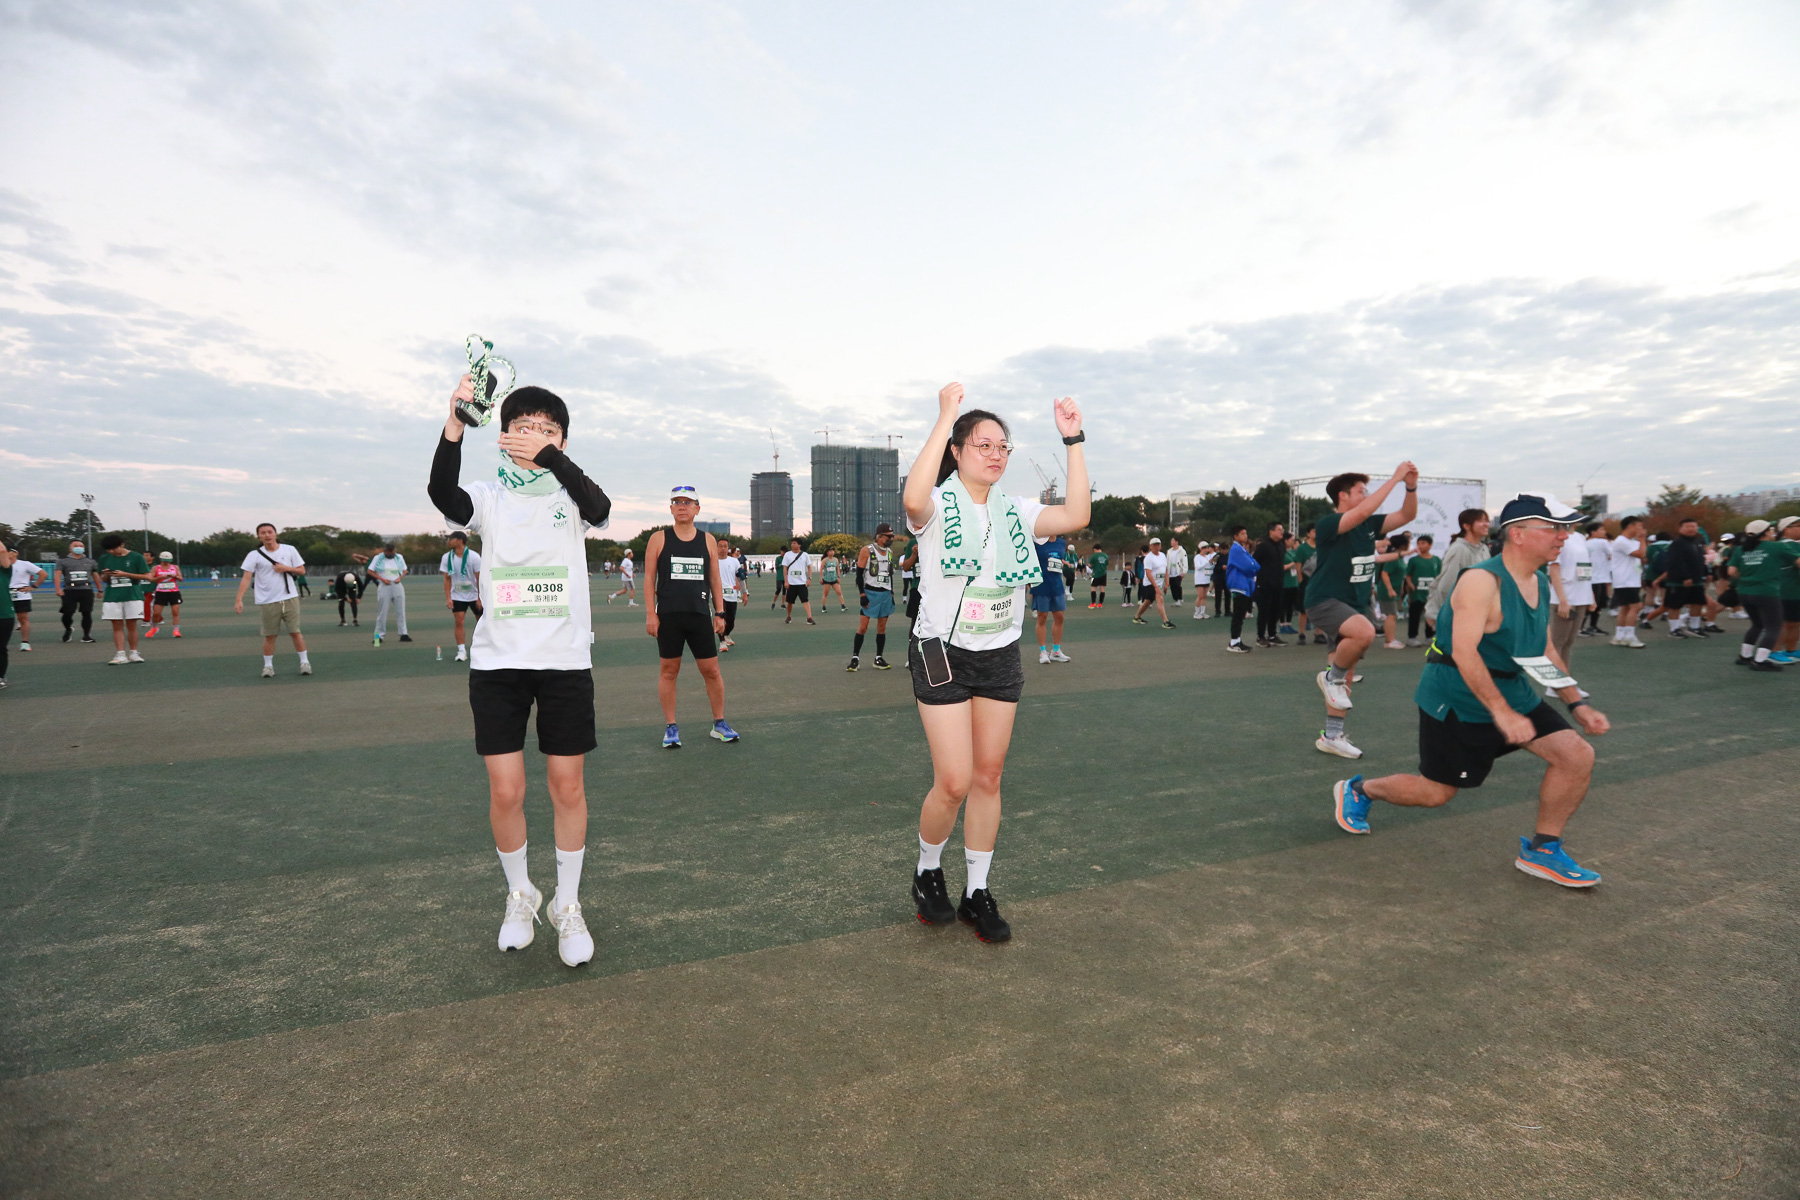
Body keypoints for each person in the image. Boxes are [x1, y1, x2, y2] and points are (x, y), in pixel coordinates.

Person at [1331, 493, 1609, 888]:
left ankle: (1543, 849)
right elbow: (1464, 652)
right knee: (1436, 793)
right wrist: (1501, 712)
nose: (1564, 536)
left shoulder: (1539, 579)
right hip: (1458, 698)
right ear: (1518, 534)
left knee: (1576, 755)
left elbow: (1544, 649)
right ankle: (1360, 790)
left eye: (1565, 529)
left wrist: (1576, 702)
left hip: (1512, 691)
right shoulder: (1481, 581)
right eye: (1554, 528)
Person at [430, 373, 612, 968]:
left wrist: (552, 457)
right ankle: (520, 894)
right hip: (499, 663)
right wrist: (454, 424)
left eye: (547, 429)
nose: (534, 435)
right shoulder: (489, 496)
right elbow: (443, 494)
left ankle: (568, 903)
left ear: (562, 440)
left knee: (568, 786)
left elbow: (600, 509)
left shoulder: (571, 496)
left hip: (563, 662)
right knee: (506, 789)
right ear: (503, 434)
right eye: (523, 427)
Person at [902, 382, 1088, 943]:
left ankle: (977, 890)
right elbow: (913, 497)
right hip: (941, 651)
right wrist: (946, 416)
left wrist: (1073, 440)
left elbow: (1076, 514)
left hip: (999, 652)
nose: (996, 454)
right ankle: (927, 870)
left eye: (1002, 446)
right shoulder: (936, 508)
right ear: (957, 452)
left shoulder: (1018, 511)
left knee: (988, 776)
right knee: (954, 781)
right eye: (982, 445)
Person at [1306, 463, 1420, 759]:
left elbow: (1407, 515)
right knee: (1365, 634)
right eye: (1361, 491)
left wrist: (1410, 486)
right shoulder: (1329, 523)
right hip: (1324, 601)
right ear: (1343, 496)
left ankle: (1332, 736)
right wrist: (1395, 478)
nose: (1367, 496)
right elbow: (1362, 512)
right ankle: (1330, 677)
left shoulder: (1369, 525)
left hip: (1353, 605)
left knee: (1345, 680)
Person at [644, 486, 738, 747]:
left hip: (699, 615)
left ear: (697, 508)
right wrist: (651, 613)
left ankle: (719, 723)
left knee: (712, 670)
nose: (682, 506)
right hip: (668, 617)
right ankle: (671, 727)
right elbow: (649, 578)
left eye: (687, 502)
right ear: (670, 508)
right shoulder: (658, 538)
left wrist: (720, 612)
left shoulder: (708, 540)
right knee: (669, 671)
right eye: (677, 502)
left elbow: (715, 579)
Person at [234, 523, 311, 677]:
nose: (267, 535)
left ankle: (304, 663)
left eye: (270, 532)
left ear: (276, 534)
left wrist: (286, 568)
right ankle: (268, 666)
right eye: (263, 533)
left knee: (295, 632)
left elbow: (301, 570)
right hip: (267, 600)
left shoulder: (289, 550)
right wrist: (239, 599)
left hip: (289, 598)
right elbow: (246, 578)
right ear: (258, 536)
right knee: (270, 635)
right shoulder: (254, 555)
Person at [1727, 520, 1800, 672]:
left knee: (1757, 624)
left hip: (1744, 591)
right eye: (1771, 529)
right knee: (1774, 627)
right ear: (1765, 532)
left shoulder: (1740, 549)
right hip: (1767, 591)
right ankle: (1760, 660)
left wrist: (1748, 578)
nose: (1773, 532)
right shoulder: (1776, 546)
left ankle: (1745, 656)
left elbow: (1731, 572)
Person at [1426, 508, 1490, 629]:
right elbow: (1446, 585)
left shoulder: (1484, 549)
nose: (1486, 524)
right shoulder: (1459, 549)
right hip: (1458, 615)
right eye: (1481, 521)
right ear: (1466, 526)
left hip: (1477, 612)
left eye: (1487, 521)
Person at [848, 523, 898, 671]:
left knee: (882, 627)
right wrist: (862, 594)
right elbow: (859, 574)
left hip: (885, 593)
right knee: (863, 627)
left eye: (892, 536)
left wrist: (891, 592)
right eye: (889, 536)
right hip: (870, 592)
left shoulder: (889, 552)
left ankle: (878, 657)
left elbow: (889, 574)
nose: (891, 539)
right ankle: (855, 658)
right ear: (879, 536)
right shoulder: (867, 550)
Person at [96, 533, 151, 665]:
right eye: (108, 550)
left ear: (122, 545)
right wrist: (106, 575)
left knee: (132, 625)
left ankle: (134, 653)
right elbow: (103, 578)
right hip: (112, 595)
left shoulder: (136, 557)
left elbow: (147, 576)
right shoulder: (104, 558)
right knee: (116, 625)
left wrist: (125, 574)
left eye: (114, 548)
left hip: (132, 595)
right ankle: (120, 654)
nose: (111, 552)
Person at [1657, 519, 1710, 639]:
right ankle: (1674, 629)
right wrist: (1685, 577)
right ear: (1680, 529)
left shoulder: (1697, 542)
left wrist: (1706, 573)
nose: (1691, 529)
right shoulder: (1677, 544)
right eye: (1688, 526)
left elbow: (1701, 560)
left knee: (1698, 603)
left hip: (1697, 580)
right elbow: (1676, 562)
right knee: (1675, 605)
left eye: (1694, 526)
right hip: (1678, 581)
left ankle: (1694, 627)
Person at [441, 531, 483, 662]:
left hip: (474, 595)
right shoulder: (447, 557)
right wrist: (448, 598)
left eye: (451, 539)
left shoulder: (473, 557)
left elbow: (479, 578)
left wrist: (480, 597)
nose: (449, 542)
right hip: (457, 595)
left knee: (481, 623)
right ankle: (461, 651)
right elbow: (447, 579)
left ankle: (482, 649)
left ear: (460, 541)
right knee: (459, 621)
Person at [1607, 516, 1647, 648]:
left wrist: (1641, 542)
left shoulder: (1631, 541)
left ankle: (1619, 636)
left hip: (1631, 579)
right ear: (1630, 526)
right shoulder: (1621, 541)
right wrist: (1642, 539)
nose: (1641, 529)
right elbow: (1640, 554)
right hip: (1625, 580)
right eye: (1639, 526)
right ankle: (1630, 636)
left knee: (1625, 608)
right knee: (1636, 606)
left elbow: (1642, 556)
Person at [1032, 531, 1071, 662]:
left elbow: (1059, 561)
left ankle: (1056, 651)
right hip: (1041, 585)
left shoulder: (1061, 543)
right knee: (1042, 617)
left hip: (1057, 586)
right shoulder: (1037, 543)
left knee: (1059, 617)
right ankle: (1043, 652)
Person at [55, 539, 99, 644]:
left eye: (81, 546)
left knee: (87, 613)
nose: (78, 547)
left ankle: (86, 635)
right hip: (70, 590)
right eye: (75, 545)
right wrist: (58, 589)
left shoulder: (90, 561)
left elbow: (95, 575)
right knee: (67, 613)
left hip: (86, 590)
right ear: (70, 548)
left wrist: (100, 589)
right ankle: (68, 629)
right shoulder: (63, 561)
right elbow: (57, 575)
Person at [1224, 525, 1259, 653]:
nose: (1245, 536)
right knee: (1238, 614)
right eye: (1242, 533)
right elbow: (1249, 566)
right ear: (1236, 536)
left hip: (1243, 585)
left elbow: (1255, 564)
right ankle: (1234, 642)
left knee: (1240, 614)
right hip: (1239, 585)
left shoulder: (1241, 549)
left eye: (1246, 533)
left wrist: (1253, 566)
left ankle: (1237, 640)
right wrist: (1253, 566)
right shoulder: (1236, 549)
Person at [367, 540, 411, 643]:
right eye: (389, 551)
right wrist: (382, 579)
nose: (391, 553)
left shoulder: (399, 557)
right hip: (384, 586)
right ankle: (378, 637)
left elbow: (404, 570)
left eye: (392, 551)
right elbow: (370, 571)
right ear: (385, 551)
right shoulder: (378, 558)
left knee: (401, 611)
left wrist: (400, 578)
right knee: (382, 612)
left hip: (397, 585)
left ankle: (403, 634)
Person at [1252, 522, 1287, 646]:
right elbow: (1255, 562)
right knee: (1264, 611)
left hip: (1279, 583)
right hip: (1265, 584)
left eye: (1282, 529)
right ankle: (1260, 636)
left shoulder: (1282, 545)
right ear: (1271, 532)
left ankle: (1272, 635)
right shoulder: (1263, 546)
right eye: (1279, 530)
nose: (1282, 532)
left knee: (1276, 610)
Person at [1403, 534, 1440, 647]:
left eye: (1423, 543)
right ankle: (1412, 637)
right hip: (1417, 593)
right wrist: (1410, 585)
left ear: (1430, 545)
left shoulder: (1436, 560)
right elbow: (1408, 575)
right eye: (1418, 543)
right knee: (1414, 615)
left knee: (1431, 615)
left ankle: (1429, 636)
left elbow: (1440, 575)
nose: (1420, 546)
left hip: (1431, 594)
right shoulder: (1413, 560)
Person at [1772, 516, 1800, 664]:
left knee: (1795, 622)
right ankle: (1774, 651)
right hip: (1784, 590)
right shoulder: (1786, 545)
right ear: (1786, 529)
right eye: (1798, 526)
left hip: (1794, 590)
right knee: (1782, 623)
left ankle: (1791, 650)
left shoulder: (1793, 545)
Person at [1377, 532, 1411, 650]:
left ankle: (1391, 639)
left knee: (1392, 615)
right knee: (1391, 615)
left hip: (1395, 589)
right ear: (1403, 545)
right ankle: (1389, 641)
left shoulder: (1399, 557)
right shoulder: (1393, 558)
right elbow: (1384, 573)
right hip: (1387, 591)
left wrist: (1400, 589)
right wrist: (1390, 589)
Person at [9, 553, 47, 651]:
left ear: (15, 553)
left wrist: (33, 586)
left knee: (23, 618)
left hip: (21, 593)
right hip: (4, 594)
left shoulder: (24, 564)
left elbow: (43, 574)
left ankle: (25, 642)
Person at [1134, 536, 1173, 628]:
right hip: (1150, 583)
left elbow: (1166, 570)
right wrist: (1156, 587)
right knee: (1160, 599)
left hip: (1159, 583)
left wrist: (1167, 583)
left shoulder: (1162, 555)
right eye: (1154, 545)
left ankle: (1137, 617)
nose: (1157, 546)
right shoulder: (1148, 558)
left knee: (1147, 602)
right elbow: (1148, 573)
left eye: (1158, 544)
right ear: (1150, 546)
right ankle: (1166, 621)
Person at [143, 551, 183, 638]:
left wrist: (175, 576)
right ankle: (154, 628)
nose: (166, 562)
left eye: (168, 561)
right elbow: (151, 580)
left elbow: (181, 578)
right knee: (156, 613)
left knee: (175, 611)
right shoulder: (155, 568)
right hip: (161, 592)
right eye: (165, 561)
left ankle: (176, 630)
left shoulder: (175, 567)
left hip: (173, 592)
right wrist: (160, 577)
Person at [1583, 523, 1612, 636]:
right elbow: (1613, 552)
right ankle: (1592, 626)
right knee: (1598, 604)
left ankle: (1582, 626)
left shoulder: (1584, 543)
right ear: (1593, 532)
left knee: (1588, 603)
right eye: (1601, 529)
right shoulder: (1602, 542)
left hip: (1589, 577)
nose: (1604, 532)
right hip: (1600, 578)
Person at [779, 537, 815, 624]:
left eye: (794, 543)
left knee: (805, 600)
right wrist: (786, 581)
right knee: (790, 602)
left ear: (799, 545)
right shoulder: (787, 555)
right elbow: (785, 568)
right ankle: (788, 616)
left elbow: (809, 567)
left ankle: (809, 617)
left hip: (802, 583)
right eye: (791, 543)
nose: (792, 545)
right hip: (791, 583)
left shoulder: (805, 555)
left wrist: (809, 578)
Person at [716, 537, 742, 652]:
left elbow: (739, 576)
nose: (723, 549)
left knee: (731, 621)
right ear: (716, 547)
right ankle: (722, 642)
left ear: (728, 548)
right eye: (720, 546)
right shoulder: (712, 561)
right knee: (721, 617)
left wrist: (744, 592)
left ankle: (726, 635)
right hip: (718, 594)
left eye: (725, 546)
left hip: (731, 594)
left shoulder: (734, 561)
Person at [0, 538, 17, 688]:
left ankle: (0, 676)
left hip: (4, 614)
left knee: (1, 647)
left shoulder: (4, 571)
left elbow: (2, 551)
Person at [1190, 541, 1213, 619]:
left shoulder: (1207, 557)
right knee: (1200, 596)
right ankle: (1196, 613)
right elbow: (1198, 567)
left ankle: (1203, 613)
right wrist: (1207, 563)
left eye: (1207, 548)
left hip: (1206, 578)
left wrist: (1212, 563)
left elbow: (1209, 567)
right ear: (1201, 549)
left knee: (1204, 596)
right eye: (1205, 548)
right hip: (1199, 579)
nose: (1206, 549)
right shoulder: (1197, 557)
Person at [1165, 537, 1187, 612]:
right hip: (1170, 571)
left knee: (1177, 585)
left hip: (1178, 571)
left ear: (1177, 542)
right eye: (1171, 541)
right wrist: (1166, 570)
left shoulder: (1182, 551)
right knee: (1172, 586)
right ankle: (1176, 600)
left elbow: (1185, 561)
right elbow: (1167, 561)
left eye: (1173, 541)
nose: (1171, 542)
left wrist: (1184, 571)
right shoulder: (1169, 551)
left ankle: (1180, 599)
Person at [1086, 543, 1108, 608]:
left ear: (1095, 549)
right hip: (1104, 574)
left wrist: (1091, 566)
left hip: (1096, 574)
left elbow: (1090, 565)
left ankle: (1093, 603)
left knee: (1093, 588)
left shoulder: (1094, 556)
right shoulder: (1106, 556)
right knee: (1102, 589)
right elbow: (1106, 564)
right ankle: (1100, 604)